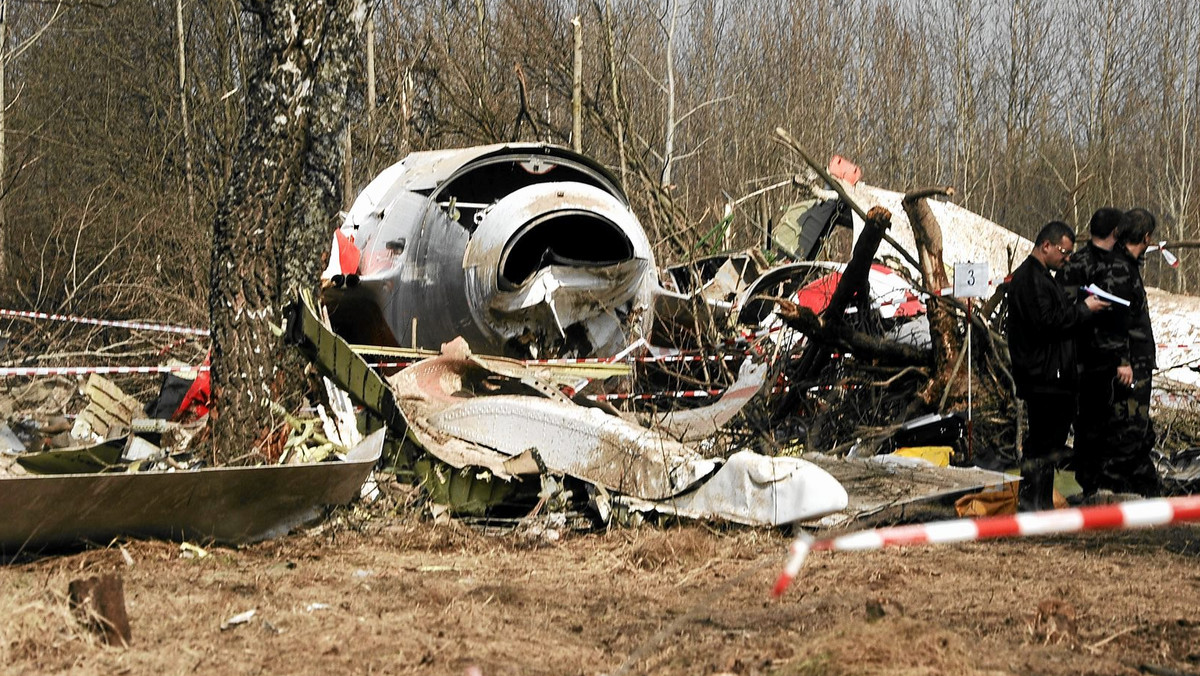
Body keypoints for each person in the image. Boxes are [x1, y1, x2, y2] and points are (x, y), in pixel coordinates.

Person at [1006, 221, 1108, 511]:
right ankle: (1031, 502)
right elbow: (1047, 324)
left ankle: (1040, 501)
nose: (1066, 258)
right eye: (1063, 251)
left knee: (1049, 444)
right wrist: (1083, 310)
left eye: (1070, 253)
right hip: (1043, 375)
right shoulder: (1030, 279)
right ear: (1045, 245)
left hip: (1050, 374)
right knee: (1042, 443)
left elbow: (1053, 316)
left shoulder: (1042, 277)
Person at [1084, 208, 1160, 497]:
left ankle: (1146, 491)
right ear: (1146, 237)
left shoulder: (1124, 265)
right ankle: (1107, 488)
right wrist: (1123, 362)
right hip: (1128, 367)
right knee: (1129, 431)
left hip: (1135, 363)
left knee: (1139, 432)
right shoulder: (1119, 268)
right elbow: (1111, 319)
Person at [1058, 208, 1124, 494]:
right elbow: (1063, 310)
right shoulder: (1078, 264)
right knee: (1088, 426)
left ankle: (1097, 481)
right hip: (1084, 357)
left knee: (1102, 425)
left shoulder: (1115, 262)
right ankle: (1087, 485)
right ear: (1115, 232)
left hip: (1105, 358)